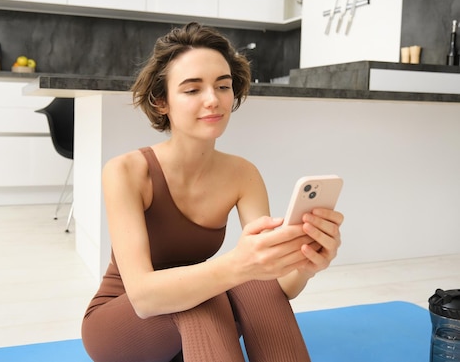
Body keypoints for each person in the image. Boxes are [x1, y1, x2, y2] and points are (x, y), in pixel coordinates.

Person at [81, 22, 344, 362]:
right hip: (124, 326)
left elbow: (277, 289)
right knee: (216, 290)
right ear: (162, 101)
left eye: (223, 86)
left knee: (253, 281)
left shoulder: (243, 174)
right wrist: (241, 264)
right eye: (192, 90)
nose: (213, 100)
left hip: (201, 320)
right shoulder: (127, 171)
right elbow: (144, 297)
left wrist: (305, 263)